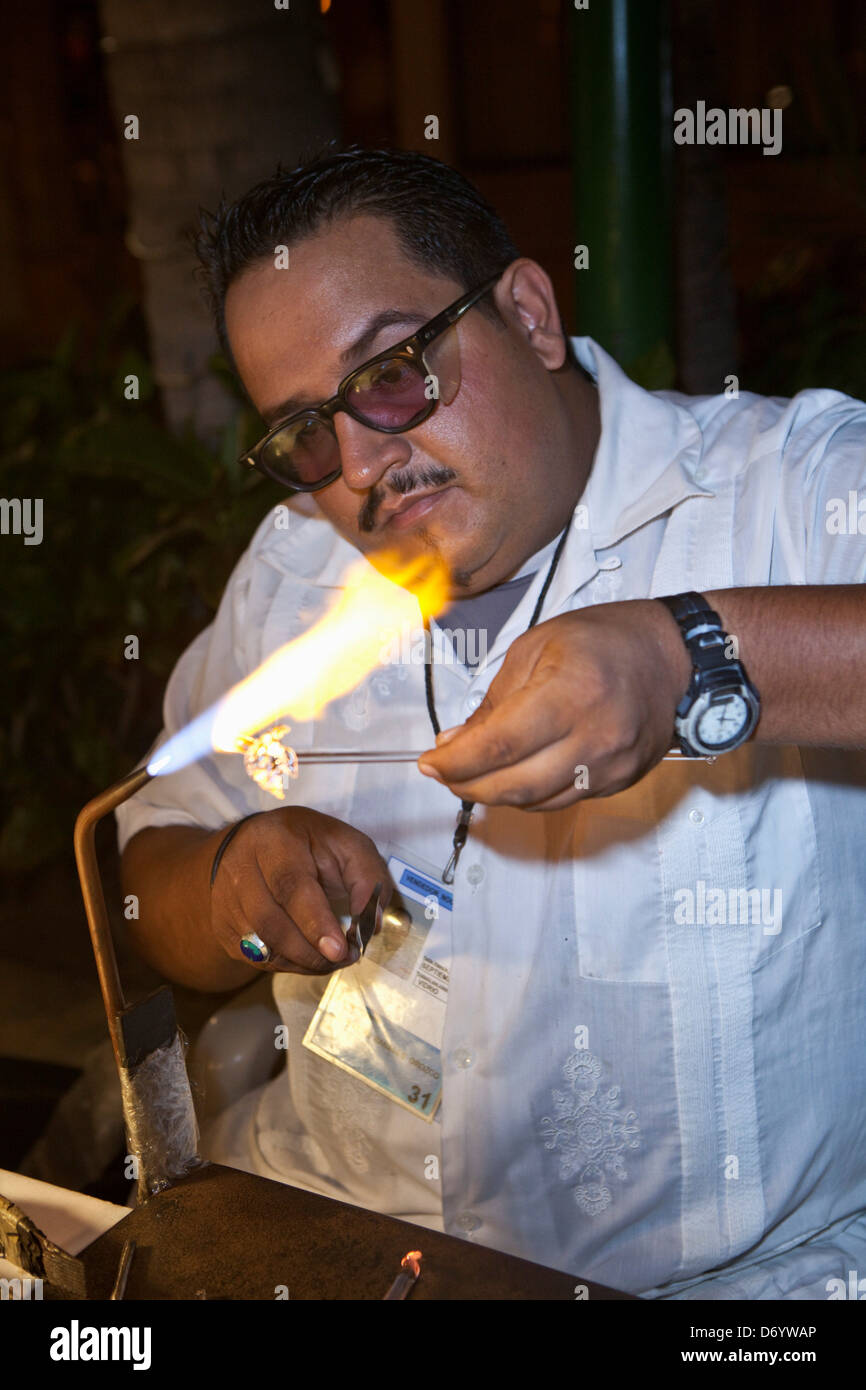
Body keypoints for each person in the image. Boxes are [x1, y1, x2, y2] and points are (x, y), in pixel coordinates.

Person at [117, 146, 866, 1300]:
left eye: (392, 371)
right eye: (306, 433)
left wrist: (695, 653)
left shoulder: (784, 491)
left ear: (526, 312)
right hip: (322, 1246)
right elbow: (147, 875)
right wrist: (231, 886)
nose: (361, 463)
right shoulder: (294, 574)